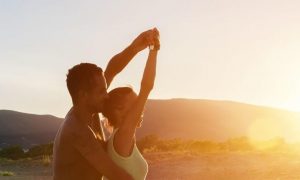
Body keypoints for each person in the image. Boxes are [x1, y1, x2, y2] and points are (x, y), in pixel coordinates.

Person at [53, 28, 158, 180]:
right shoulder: (77, 130)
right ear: (84, 95)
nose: (107, 95)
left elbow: (112, 69)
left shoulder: (90, 109)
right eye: (102, 91)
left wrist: (135, 47)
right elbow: (117, 175)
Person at [102, 29, 160, 180]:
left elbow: (110, 71)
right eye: (135, 103)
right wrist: (154, 50)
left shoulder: (120, 139)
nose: (141, 106)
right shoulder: (122, 137)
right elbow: (146, 87)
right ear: (118, 110)